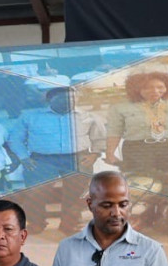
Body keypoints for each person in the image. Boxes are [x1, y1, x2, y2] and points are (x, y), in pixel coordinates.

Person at [8, 88, 105, 232]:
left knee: (76, 193)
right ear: (49, 100)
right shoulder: (30, 117)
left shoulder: (88, 116)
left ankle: (69, 223)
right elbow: (15, 139)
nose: (69, 101)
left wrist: (94, 154)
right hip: (41, 160)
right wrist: (23, 157)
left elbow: (100, 137)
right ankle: (36, 223)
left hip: (78, 158)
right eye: (62, 98)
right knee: (35, 193)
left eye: (72, 98)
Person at [105, 72, 168, 179]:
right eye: (147, 87)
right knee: (142, 183)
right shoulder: (120, 107)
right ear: (136, 89)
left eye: (160, 87)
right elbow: (114, 131)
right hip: (137, 150)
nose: (155, 91)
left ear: (167, 87)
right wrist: (110, 153)